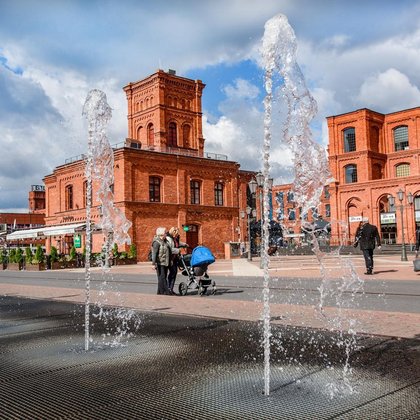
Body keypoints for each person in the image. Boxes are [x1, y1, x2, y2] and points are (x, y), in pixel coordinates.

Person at [166, 227, 188, 294]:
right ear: (172, 232)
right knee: (172, 273)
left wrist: (184, 244)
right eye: (176, 233)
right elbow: (169, 249)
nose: (176, 235)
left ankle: (170, 289)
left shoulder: (174, 238)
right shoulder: (169, 239)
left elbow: (178, 243)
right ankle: (169, 288)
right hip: (170, 259)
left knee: (174, 273)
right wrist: (178, 250)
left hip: (175, 258)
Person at [151, 227, 173, 295]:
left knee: (162, 277)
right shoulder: (156, 242)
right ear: (161, 234)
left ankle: (160, 291)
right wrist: (153, 264)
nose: (166, 234)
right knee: (162, 277)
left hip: (165, 262)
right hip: (160, 262)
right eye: (165, 233)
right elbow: (154, 253)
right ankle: (166, 291)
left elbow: (169, 251)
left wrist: (170, 260)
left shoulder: (165, 241)